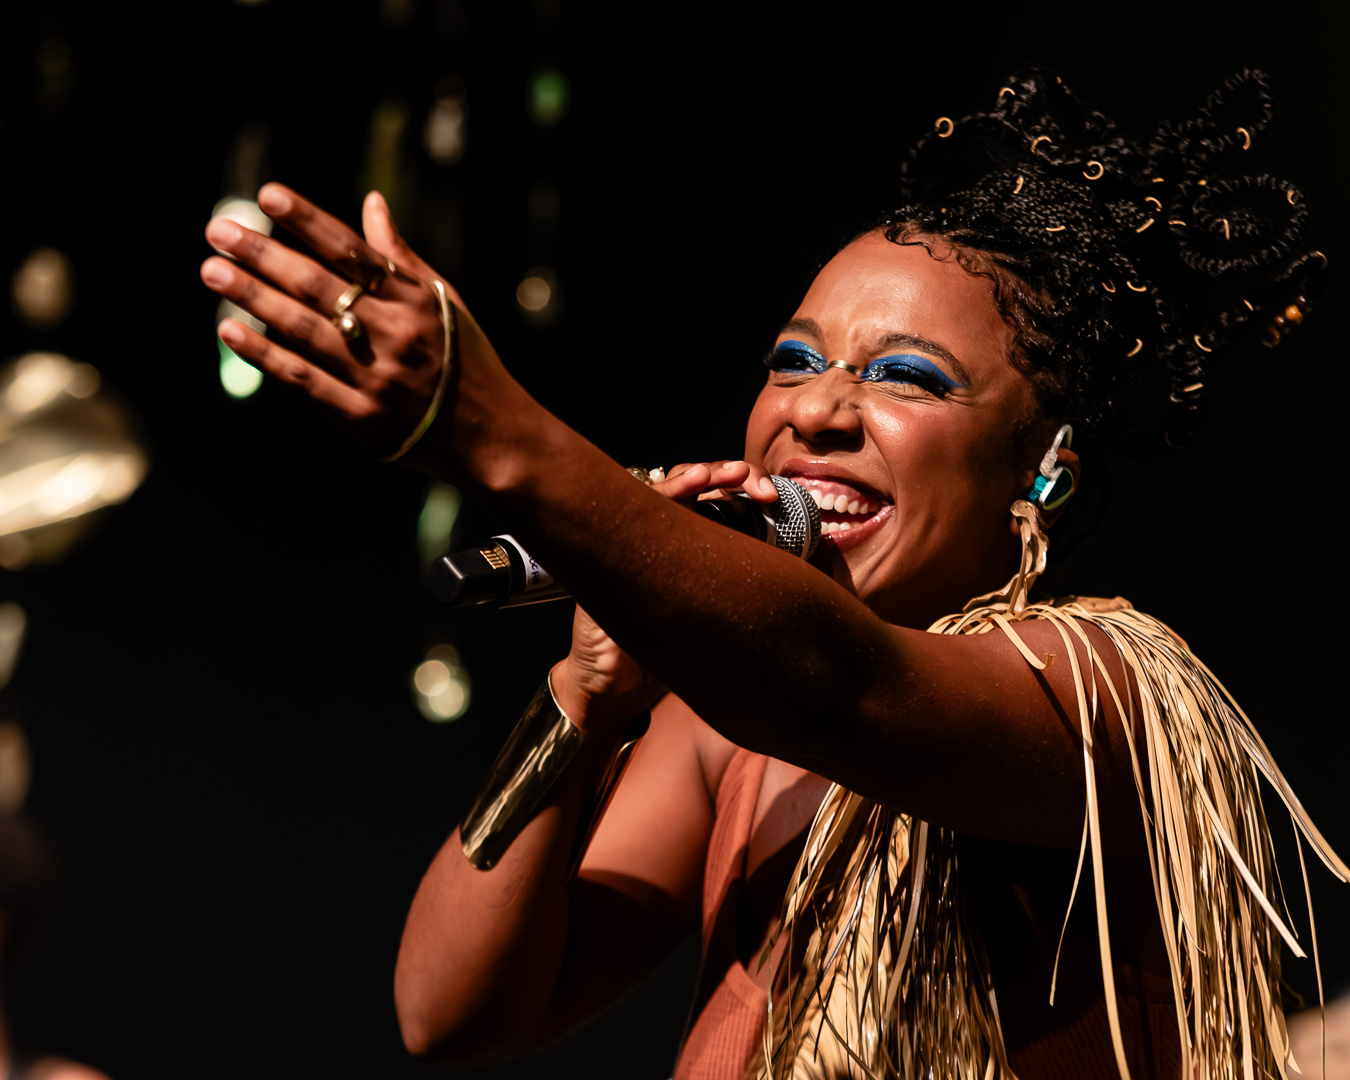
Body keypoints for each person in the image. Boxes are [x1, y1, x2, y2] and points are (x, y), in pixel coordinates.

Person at [199, 69, 1345, 1079]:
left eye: (907, 377)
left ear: (1042, 469)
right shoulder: (721, 733)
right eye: (793, 362)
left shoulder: (1102, 687)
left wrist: (502, 437)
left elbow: (834, 684)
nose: (818, 411)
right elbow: (449, 1012)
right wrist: (587, 698)